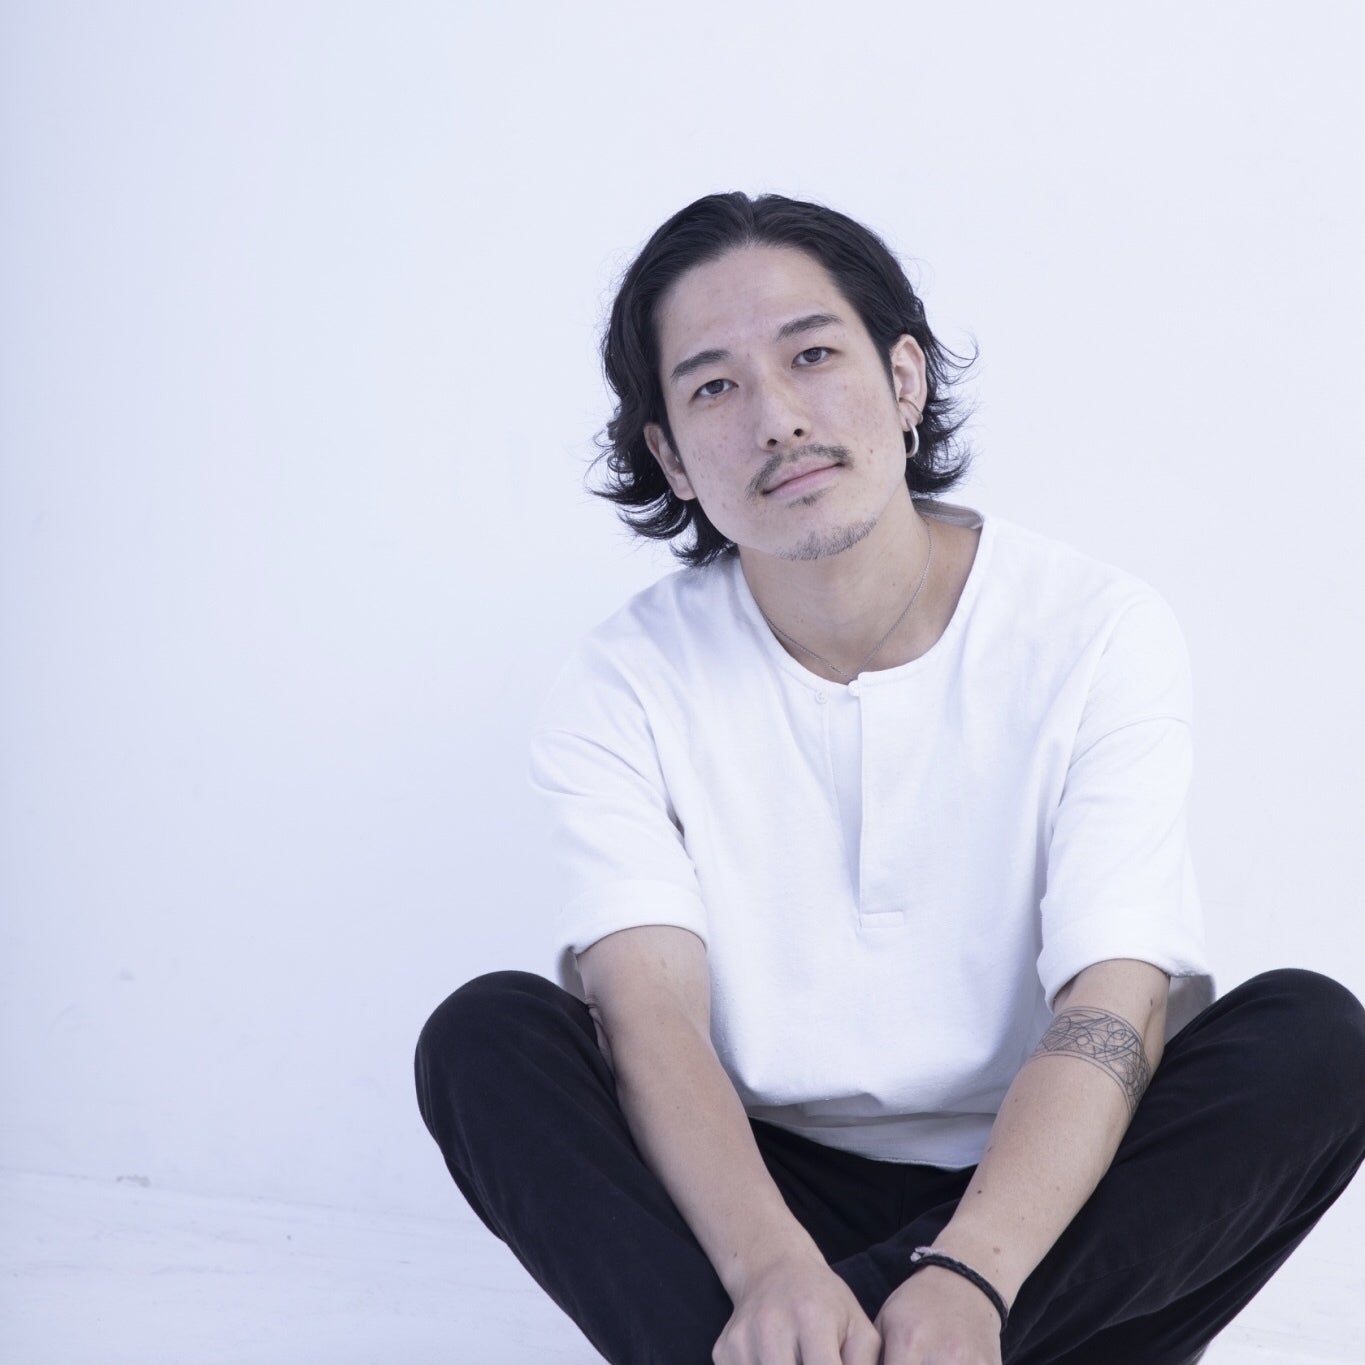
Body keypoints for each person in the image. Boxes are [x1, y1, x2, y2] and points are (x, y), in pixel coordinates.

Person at [415, 192, 1365, 1365]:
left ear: (905, 379)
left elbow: (1111, 997)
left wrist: (970, 1273)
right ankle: (810, 1336)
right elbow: (650, 1016)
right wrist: (773, 1273)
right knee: (487, 1039)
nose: (777, 417)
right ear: (668, 454)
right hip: (755, 1201)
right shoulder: (625, 680)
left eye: (813, 356)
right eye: (713, 388)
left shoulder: (1094, 630)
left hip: (1041, 1204)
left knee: (1317, 1042)